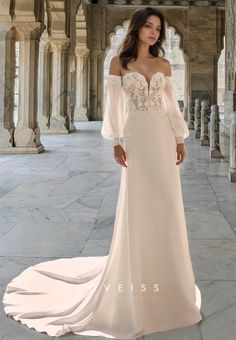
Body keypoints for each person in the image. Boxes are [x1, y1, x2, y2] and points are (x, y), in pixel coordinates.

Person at [2, 6, 202, 339]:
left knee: (167, 207)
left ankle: (169, 280)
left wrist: (179, 138)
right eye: (149, 26)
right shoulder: (118, 64)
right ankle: (135, 276)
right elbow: (114, 107)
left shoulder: (164, 65)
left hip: (163, 139)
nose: (154, 32)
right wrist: (115, 142)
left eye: (158, 28)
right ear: (137, 28)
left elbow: (170, 105)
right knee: (139, 207)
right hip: (137, 140)